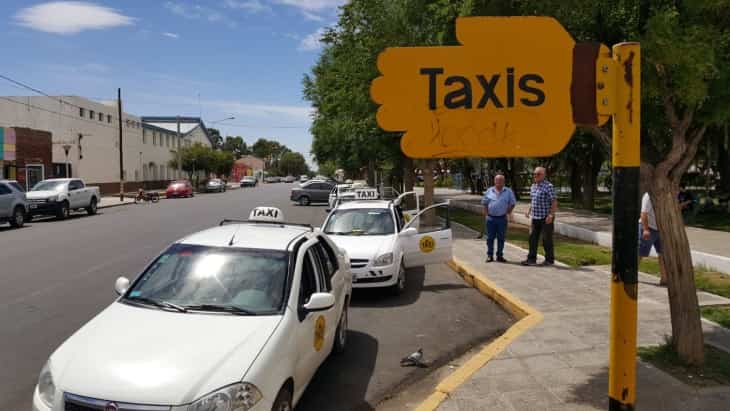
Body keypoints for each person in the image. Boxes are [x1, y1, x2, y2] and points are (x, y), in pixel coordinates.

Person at [522, 167, 557, 266]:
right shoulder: (533, 186)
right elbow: (533, 200)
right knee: (532, 239)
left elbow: (554, 202)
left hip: (546, 218)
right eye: (534, 174)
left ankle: (549, 260)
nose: (535, 176)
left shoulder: (548, 186)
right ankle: (531, 259)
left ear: (544, 175)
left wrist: (551, 215)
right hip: (535, 218)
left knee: (546, 240)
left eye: (538, 174)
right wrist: (528, 211)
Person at [481, 174, 516, 262]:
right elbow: (484, 203)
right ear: (494, 181)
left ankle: (499, 256)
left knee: (501, 238)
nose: (499, 182)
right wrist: (486, 215)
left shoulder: (508, 191)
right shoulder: (489, 191)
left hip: (502, 219)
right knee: (490, 238)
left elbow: (513, 203)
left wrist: (508, 212)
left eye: (501, 180)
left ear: (504, 182)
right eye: (497, 180)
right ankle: (490, 255)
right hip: (491, 218)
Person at [639, 192, 668, 285]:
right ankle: (630, 276)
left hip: (661, 229)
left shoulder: (666, 194)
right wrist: (645, 229)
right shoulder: (649, 195)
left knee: (663, 254)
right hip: (648, 228)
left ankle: (664, 279)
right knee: (640, 253)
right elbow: (643, 213)